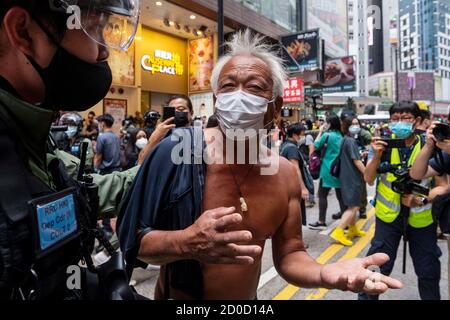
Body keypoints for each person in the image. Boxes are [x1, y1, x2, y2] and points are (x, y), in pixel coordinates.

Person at [117, 30, 402, 300]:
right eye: (228, 86)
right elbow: (131, 239)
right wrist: (186, 242)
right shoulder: (175, 152)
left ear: (276, 107)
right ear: (217, 101)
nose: (238, 96)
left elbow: (290, 253)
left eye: (253, 87)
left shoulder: (284, 174)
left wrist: (324, 273)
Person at [0, 0, 148, 300]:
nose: (104, 51)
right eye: (94, 28)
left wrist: (160, 163)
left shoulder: (33, 134)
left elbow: (86, 189)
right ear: (24, 32)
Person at [360, 101, 441, 300]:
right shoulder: (383, 145)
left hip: (422, 221)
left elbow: (443, 185)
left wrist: (421, 200)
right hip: (387, 220)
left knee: (428, 272)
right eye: (395, 119)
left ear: (418, 121)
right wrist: (377, 157)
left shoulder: (429, 146)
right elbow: (368, 178)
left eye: (405, 118)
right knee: (374, 273)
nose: (400, 123)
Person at [330, 117, 366, 246]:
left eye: (357, 124)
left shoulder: (347, 139)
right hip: (352, 177)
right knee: (354, 206)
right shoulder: (350, 141)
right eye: (353, 124)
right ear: (347, 126)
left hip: (347, 176)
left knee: (352, 205)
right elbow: (356, 161)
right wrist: (368, 174)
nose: (356, 126)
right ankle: (339, 232)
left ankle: (353, 229)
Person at [308, 114, 347, 230]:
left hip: (327, 169)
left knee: (322, 194)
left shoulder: (327, 135)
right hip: (339, 169)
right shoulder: (341, 136)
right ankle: (346, 221)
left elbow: (315, 146)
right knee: (341, 196)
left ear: (329, 124)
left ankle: (321, 221)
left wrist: (320, 132)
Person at [280, 123, 312, 227]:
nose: (302, 137)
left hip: (286, 185)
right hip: (294, 186)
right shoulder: (292, 148)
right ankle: (296, 241)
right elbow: (296, 169)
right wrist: (303, 188)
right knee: (295, 215)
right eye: (301, 135)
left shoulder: (284, 145)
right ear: (294, 135)